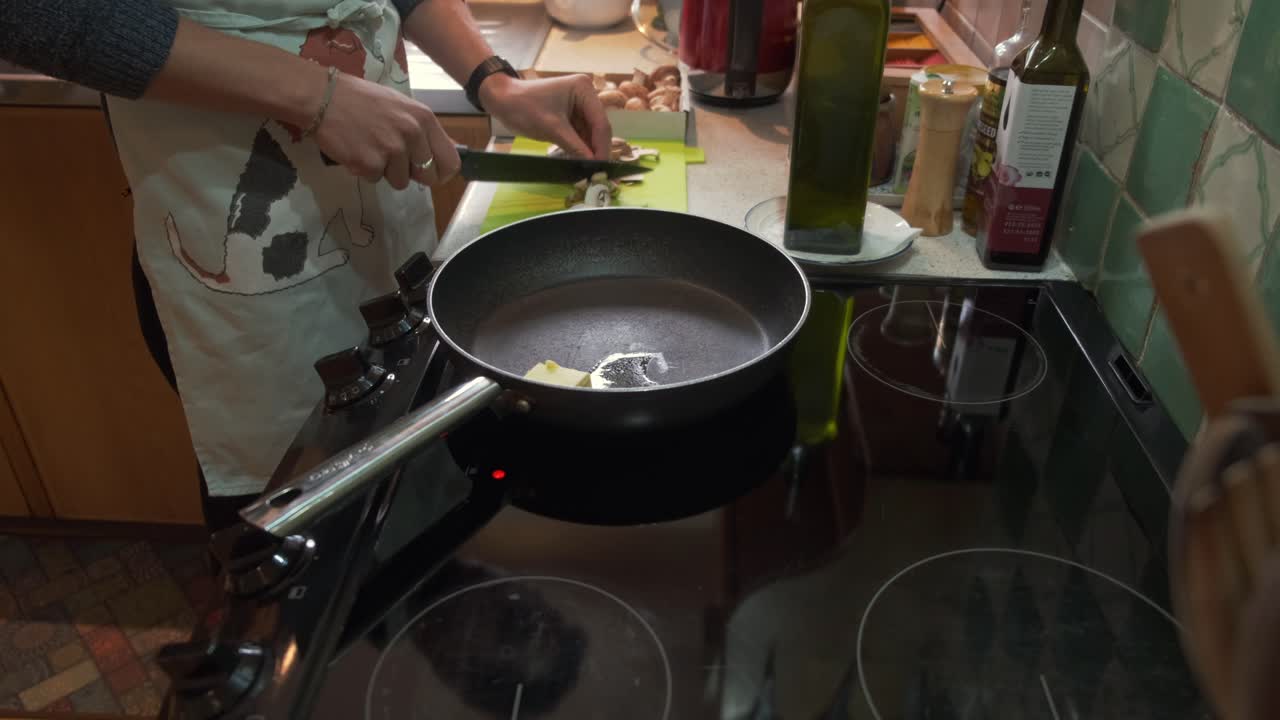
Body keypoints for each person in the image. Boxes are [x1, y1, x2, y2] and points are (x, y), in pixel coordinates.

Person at [1, 0, 612, 534]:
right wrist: (317, 96)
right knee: (300, 518)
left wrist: (493, 82)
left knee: (403, 472)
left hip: (378, 220)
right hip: (242, 254)